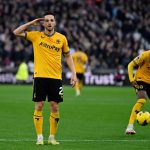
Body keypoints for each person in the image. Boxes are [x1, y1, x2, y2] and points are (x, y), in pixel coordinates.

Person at [13, 13, 77, 145]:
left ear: (55, 23)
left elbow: (68, 56)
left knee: (55, 107)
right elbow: (16, 32)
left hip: (55, 77)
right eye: (46, 21)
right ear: (43, 23)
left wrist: (74, 73)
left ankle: (52, 137)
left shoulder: (62, 38)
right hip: (40, 76)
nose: (49, 23)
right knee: (39, 105)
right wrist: (32, 22)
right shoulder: (36, 35)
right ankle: (40, 137)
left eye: (51, 20)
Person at [125, 50, 150, 134]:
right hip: (140, 79)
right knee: (142, 100)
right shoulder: (145, 55)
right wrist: (131, 80)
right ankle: (130, 127)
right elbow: (130, 65)